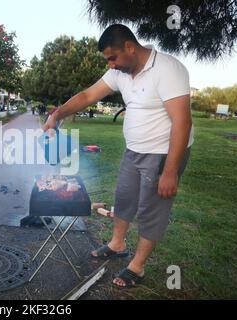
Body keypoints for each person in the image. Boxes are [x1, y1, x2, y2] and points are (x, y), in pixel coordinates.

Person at [43, 24, 193, 289]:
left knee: (151, 210)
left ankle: (137, 266)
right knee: (123, 198)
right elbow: (89, 95)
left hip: (161, 154)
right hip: (133, 149)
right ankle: (117, 243)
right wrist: (58, 114)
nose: (110, 65)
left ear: (129, 47)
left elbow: (182, 122)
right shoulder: (121, 71)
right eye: (107, 60)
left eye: (112, 58)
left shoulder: (169, 69)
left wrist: (170, 171)